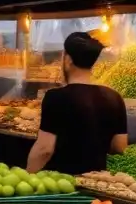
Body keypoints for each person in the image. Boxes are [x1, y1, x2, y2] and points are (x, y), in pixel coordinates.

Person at [27, 32, 128, 175]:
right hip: (98, 181)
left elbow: (44, 149)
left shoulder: (56, 97)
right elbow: (120, 146)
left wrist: (28, 176)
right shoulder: (114, 97)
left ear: (67, 60)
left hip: (63, 182)